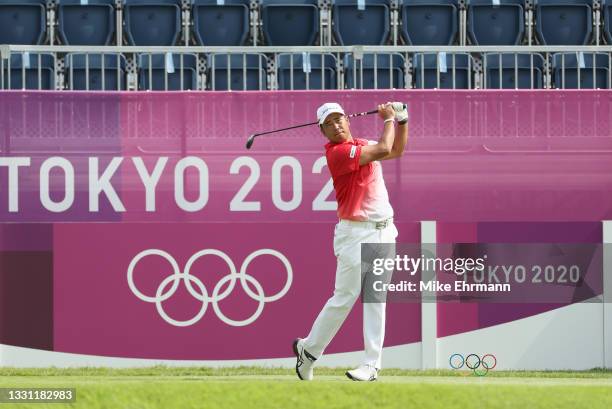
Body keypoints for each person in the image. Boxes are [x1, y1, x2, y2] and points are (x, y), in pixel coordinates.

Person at [293, 102, 409, 381]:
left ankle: (371, 365)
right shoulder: (338, 153)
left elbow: (396, 150)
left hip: (384, 231)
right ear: (322, 131)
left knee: (376, 300)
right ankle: (309, 352)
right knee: (344, 298)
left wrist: (402, 121)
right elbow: (383, 148)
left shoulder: (362, 143)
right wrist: (388, 119)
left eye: (339, 119)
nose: (336, 125)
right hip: (355, 234)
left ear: (348, 119)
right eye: (329, 123)